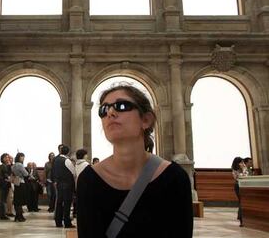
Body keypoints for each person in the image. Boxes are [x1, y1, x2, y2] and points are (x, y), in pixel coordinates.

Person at [77, 82, 193, 237]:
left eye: (122, 106)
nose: (110, 112)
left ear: (146, 119)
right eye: (103, 109)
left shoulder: (175, 178)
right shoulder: (89, 179)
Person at [53, 145, 76, 228]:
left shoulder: (56, 159)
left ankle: (58, 222)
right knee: (67, 204)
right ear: (68, 152)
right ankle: (67, 222)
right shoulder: (67, 160)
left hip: (59, 184)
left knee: (59, 203)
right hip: (67, 185)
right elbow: (73, 172)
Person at [12, 152, 29, 222]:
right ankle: (19, 216)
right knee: (19, 200)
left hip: (16, 182)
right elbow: (26, 174)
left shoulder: (13, 165)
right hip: (21, 182)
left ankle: (18, 216)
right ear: (18, 157)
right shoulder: (20, 165)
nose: (23, 158)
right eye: (22, 157)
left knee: (17, 199)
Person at [232, 156, 248, 227]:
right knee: (241, 202)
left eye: (242, 162)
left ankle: (241, 218)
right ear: (237, 163)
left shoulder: (243, 169)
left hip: (244, 186)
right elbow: (240, 178)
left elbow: (246, 176)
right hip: (238, 187)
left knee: (243, 202)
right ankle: (241, 219)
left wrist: (244, 169)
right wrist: (244, 169)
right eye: (241, 162)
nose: (242, 163)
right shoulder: (235, 171)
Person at [0, 153, 12, 220]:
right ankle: (2, 214)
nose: (7, 158)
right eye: (6, 157)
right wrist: (9, 166)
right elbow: (7, 173)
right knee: (2, 200)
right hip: (3, 184)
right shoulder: (3, 166)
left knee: (4, 199)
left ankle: (2, 213)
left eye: (8, 157)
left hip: (5, 184)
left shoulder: (6, 166)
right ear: (2, 159)